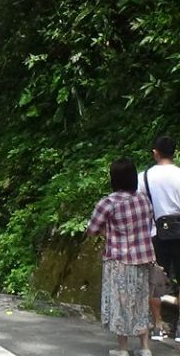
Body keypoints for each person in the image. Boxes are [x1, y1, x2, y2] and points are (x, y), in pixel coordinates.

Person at [88, 157, 154, 356]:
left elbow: (92, 229)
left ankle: (122, 348)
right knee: (141, 300)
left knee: (121, 302)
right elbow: (148, 224)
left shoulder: (108, 203)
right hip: (143, 259)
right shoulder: (143, 199)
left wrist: (109, 233)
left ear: (113, 179)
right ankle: (145, 347)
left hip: (120, 260)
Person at [137, 135, 180, 341]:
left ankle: (157, 326)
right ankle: (179, 329)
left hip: (155, 234)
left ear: (155, 152)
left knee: (155, 282)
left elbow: (137, 206)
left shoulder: (144, 177)